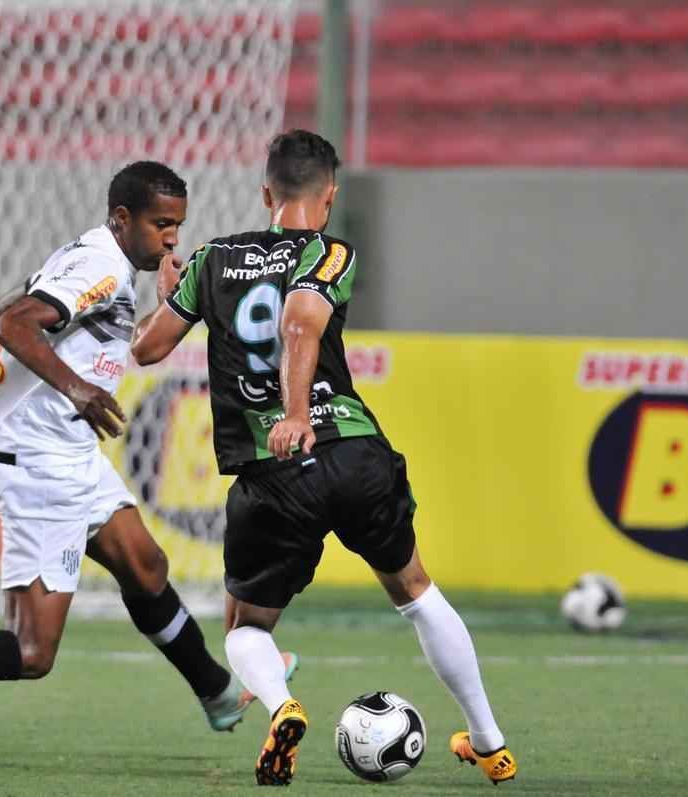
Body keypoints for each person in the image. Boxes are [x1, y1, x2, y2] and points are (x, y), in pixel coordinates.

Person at [0, 161, 295, 759]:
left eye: (178, 225)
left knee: (143, 564)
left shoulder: (103, 261)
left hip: (66, 451)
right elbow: (14, 322)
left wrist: (162, 305)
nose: (172, 238)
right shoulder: (99, 264)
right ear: (122, 218)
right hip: (40, 462)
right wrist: (77, 390)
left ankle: (218, 693)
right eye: (161, 224)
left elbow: (31, 310)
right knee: (33, 652)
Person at [129, 131, 518, 786]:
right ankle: (489, 741)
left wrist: (164, 289)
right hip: (352, 452)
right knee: (416, 590)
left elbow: (145, 349)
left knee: (245, 628)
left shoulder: (211, 260)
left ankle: (283, 704)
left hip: (272, 475)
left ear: (265, 193)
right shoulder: (330, 251)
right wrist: (303, 413)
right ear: (329, 195)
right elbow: (301, 322)